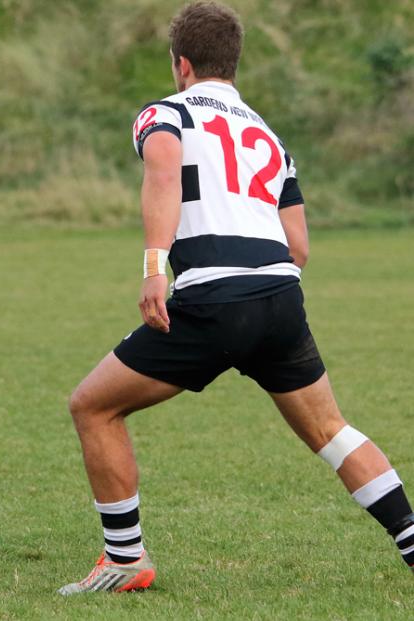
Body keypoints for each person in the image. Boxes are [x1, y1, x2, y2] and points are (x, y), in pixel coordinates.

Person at [59, 2, 413, 594]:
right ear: (234, 62)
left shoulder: (163, 114)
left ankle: (125, 559)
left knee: (92, 406)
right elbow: (298, 245)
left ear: (182, 64)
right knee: (331, 429)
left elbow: (164, 173)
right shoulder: (269, 137)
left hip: (212, 298)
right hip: (279, 297)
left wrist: (154, 266)